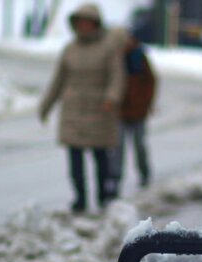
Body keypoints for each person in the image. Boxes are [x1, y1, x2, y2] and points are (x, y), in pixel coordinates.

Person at [39, 3, 124, 213]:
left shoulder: (108, 48)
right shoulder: (70, 49)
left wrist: (111, 98)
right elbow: (58, 80)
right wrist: (46, 106)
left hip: (99, 112)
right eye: (79, 23)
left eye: (87, 23)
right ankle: (80, 198)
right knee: (75, 160)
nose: (83, 27)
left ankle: (103, 196)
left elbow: (117, 76)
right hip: (73, 112)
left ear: (95, 24)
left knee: (101, 158)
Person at [112, 36, 157, 189]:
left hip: (138, 111)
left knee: (139, 145)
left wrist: (147, 102)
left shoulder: (139, 57)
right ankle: (115, 178)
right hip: (120, 112)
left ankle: (144, 173)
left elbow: (151, 81)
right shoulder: (115, 59)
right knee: (117, 147)